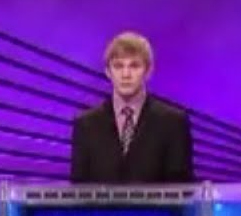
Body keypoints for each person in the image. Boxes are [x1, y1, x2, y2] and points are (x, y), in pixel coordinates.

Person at [70, 32, 194, 185]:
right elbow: (78, 191)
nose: (126, 74)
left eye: (134, 66)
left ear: (148, 71)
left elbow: (182, 189)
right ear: (108, 72)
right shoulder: (85, 124)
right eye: (118, 66)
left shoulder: (173, 123)